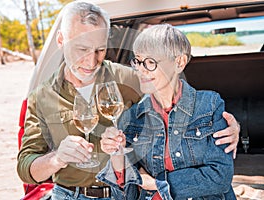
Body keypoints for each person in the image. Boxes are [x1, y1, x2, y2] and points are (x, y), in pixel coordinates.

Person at [17, 1, 239, 199]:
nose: (91, 61)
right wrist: (57, 159)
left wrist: (229, 126)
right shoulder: (41, 96)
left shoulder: (130, 78)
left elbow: (174, 99)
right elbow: (25, 167)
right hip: (69, 195)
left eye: (100, 50)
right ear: (61, 41)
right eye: (82, 49)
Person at [97, 24, 236, 199]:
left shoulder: (209, 105)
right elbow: (127, 196)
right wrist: (116, 156)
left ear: (179, 63)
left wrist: (158, 184)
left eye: (150, 62)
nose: (140, 70)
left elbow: (220, 176)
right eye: (138, 61)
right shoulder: (131, 118)